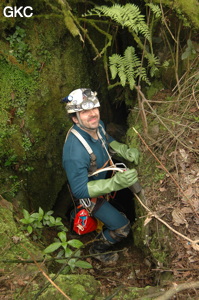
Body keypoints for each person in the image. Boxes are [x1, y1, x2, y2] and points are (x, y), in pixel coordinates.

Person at [62, 88, 140, 263]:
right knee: (122, 228)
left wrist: (122, 149)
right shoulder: (74, 152)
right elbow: (80, 190)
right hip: (89, 197)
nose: (92, 114)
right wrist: (115, 184)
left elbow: (106, 139)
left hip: (104, 183)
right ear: (75, 118)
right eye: (84, 112)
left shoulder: (98, 125)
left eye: (94, 108)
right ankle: (96, 249)